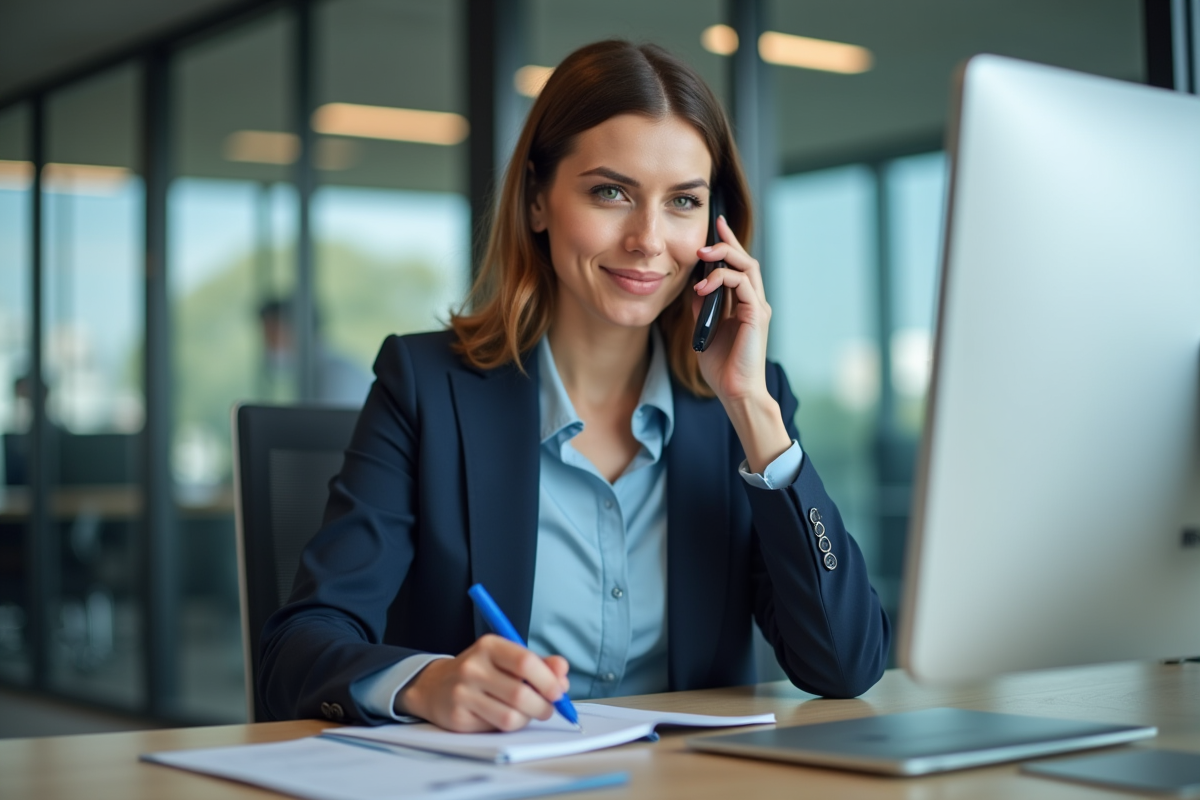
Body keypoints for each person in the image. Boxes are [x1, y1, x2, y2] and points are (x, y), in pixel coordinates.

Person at [260, 40, 890, 732]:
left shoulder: (745, 405)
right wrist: (427, 684)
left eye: (682, 202)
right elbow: (298, 651)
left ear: (717, 231)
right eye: (611, 192)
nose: (649, 239)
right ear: (537, 199)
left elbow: (845, 663)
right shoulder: (427, 388)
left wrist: (752, 411)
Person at [259, 298, 373, 407]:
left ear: (301, 330)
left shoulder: (335, 376)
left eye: (274, 336)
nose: (270, 345)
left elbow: (328, 424)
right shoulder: (311, 375)